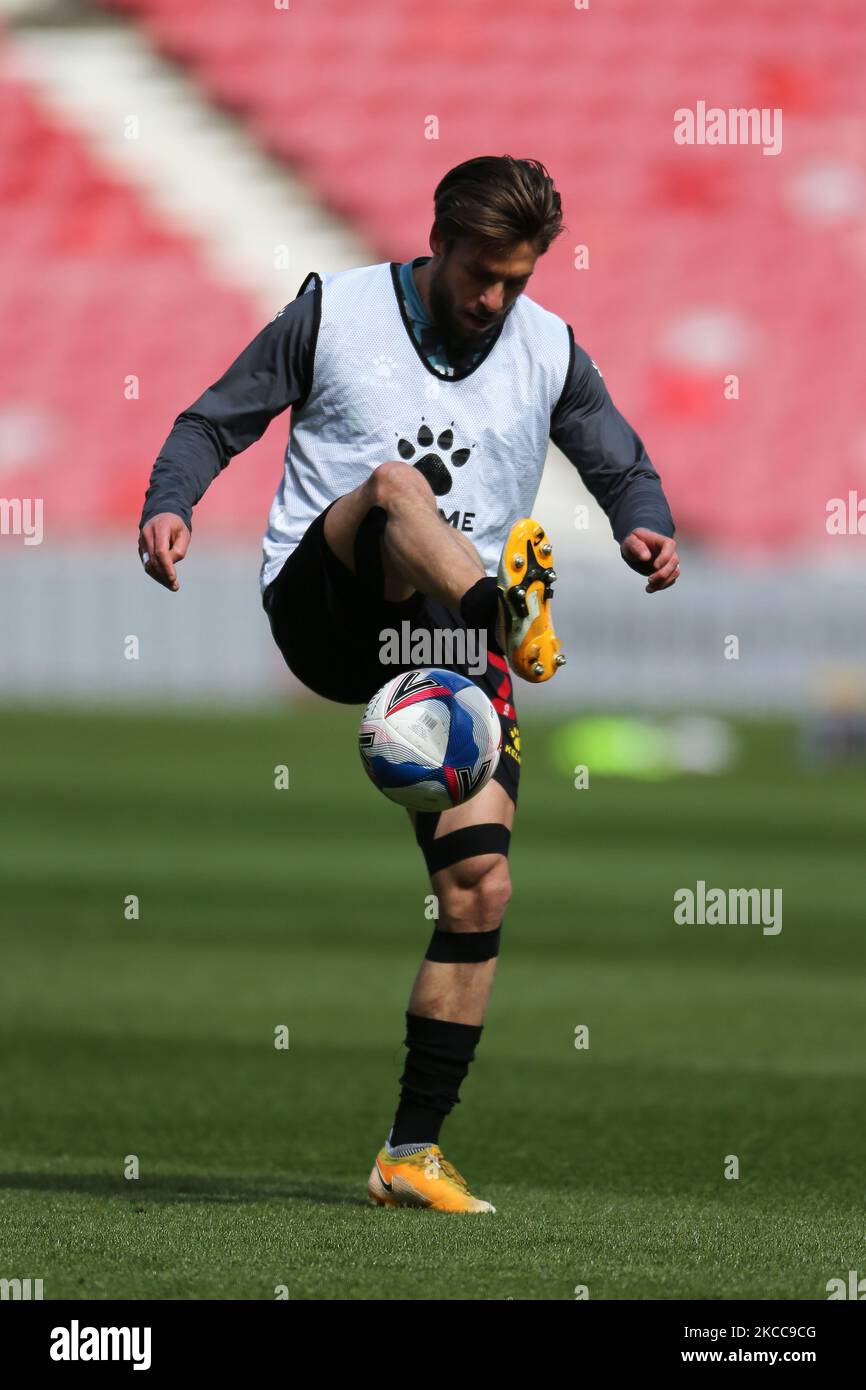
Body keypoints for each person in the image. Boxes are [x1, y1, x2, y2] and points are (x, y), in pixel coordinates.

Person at [138, 155, 679, 1213]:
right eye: (480, 272)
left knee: (478, 888)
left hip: (443, 645)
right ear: (437, 240)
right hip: (330, 604)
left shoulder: (546, 348)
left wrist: (642, 523)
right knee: (393, 487)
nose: (493, 298)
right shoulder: (332, 311)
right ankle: (500, 614)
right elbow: (215, 420)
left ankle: (408, 1152)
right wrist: (173, 500)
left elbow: (616, 461)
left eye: (514, 280)